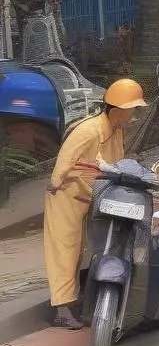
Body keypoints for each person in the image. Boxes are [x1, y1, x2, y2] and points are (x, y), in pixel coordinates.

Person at [42, 78, 148, 329]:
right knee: (66, 250)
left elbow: (117, 163)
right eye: (132, 110)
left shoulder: (116, 131)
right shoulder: (88, 129)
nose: (134, 116)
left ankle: (81, 298)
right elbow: (66, 159)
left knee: (92, 248)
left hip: (95, 194)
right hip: (67, 194)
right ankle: (62, 308)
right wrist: (56, 182)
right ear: (119, 110)